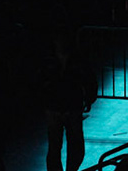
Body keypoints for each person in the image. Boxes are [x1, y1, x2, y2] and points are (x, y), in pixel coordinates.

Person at [39, 33, 93, 171]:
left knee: (56, 145)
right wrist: (89, 97)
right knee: (71, 143)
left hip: (57, 106)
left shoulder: (49, 60)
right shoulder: (77, 59)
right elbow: (88, 78)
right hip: (65, 106)